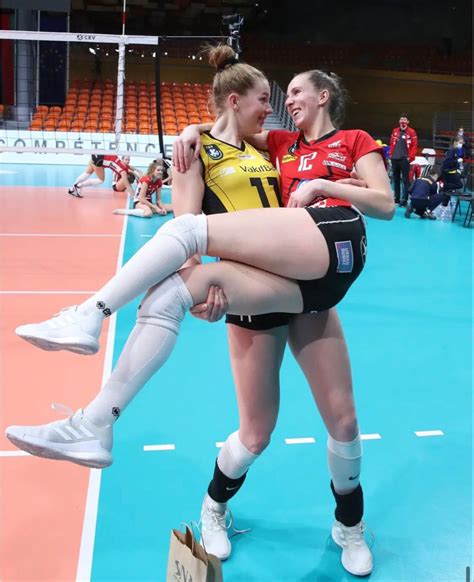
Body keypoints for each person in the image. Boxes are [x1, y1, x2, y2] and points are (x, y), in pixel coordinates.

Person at [6, 48, 394, 577]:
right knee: (252, 428)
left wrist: (318, 181)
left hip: (311, 262)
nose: (278, 106)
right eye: (268, 98)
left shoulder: (285, 146)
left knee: (345, 422)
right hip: (258, 285)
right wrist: (193, 132)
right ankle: (102, 427)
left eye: (290, 94)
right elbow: (188, 215)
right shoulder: (237, 147)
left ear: (323, 96)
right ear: (238, 100)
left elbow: (383, 200)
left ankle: (349, 525)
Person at [67, 154, 135, 198]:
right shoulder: (123, 171)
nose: (128, 161)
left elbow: (130, 167)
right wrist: (133, 196)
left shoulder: (121, 162)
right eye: (127, 159)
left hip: (97, 154)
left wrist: (137, 171)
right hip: (98, 160)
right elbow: (127, 185)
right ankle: (79, 186)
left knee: (87, 173)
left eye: (128, 160)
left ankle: (72, 189)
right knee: (101, 180)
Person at [389, 114, 418, 206]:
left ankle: (404, 199)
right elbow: (391, 143)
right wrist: (390, 155)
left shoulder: (412, 132)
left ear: (408, 122)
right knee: (396, 179)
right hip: (394, 158)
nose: (402, 121)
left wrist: (411, 157)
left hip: (405, 159)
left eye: (405, 119)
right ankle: (396, 198)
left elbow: (414, 145)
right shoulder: (395, 131)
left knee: (406, 180)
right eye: (401, 119)